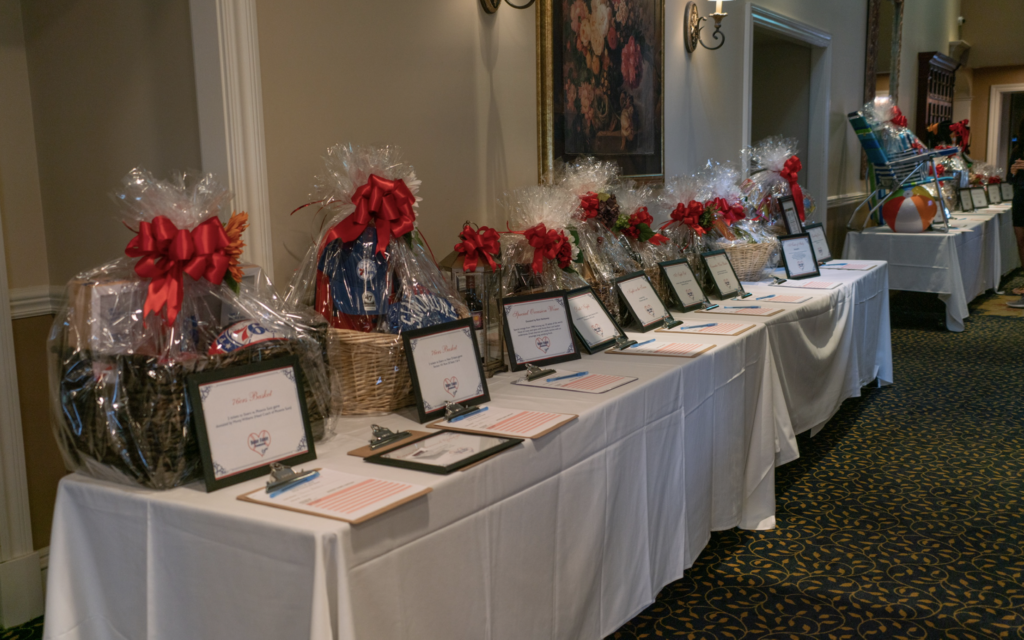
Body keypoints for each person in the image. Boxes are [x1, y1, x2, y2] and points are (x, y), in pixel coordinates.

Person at [1007, 119, 1024, 308]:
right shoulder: (1017, 150)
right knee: (1021, 242)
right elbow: (1009, 180)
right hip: (1020, 198)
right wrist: (1012, 172)